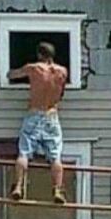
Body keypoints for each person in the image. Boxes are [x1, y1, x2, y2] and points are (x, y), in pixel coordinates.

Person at [8, 42, 68, 204]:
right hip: (52, 115)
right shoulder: (62, 72)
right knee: (55, 156)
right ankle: (57, 190)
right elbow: (61, 93)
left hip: (34, 113)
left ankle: (18, 187)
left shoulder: (33, 68)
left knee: (24, 152)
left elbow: (11, 75)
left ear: (39, 55)